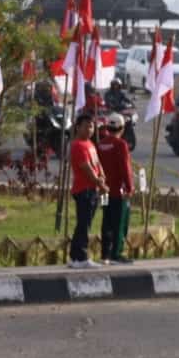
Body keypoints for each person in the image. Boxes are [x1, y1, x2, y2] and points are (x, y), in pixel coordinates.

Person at [67, 114, 107, 269]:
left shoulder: (90, 143)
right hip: (84, 189)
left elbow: (97, 164)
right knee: (83, 224)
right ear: (78, 127)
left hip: (93, 188)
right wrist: (99, 183)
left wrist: (102, 177)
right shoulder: (77, 145)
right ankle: (81, 256)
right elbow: (86, 168)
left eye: (91, 126)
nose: (89, 129)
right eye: (86, 126)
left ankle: (74, 256)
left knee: (85, 223)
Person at [95, 114, 135, 265]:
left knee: (107, 220)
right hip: (119, 191)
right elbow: (125, 168)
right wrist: (130, 187)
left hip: (104, 191)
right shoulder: (120, 144)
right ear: (122, 128)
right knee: (119, 222)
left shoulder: (100, 144)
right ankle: (116, 253)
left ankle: (105, 252)